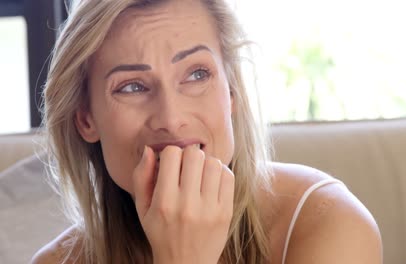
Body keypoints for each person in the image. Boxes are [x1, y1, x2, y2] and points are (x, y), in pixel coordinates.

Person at [32, 0, 382, 263]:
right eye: (132, 87)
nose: (171, 118)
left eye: (197, 75)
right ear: (86, 119)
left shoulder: (328, 223)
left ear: (231, 92)